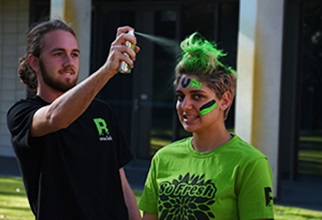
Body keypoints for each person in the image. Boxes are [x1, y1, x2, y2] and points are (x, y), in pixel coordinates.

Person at [6, 19, 142, 220]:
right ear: (34, 62)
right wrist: (106, 70)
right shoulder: (22, 114)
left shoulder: (101, 111)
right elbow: (55, 117)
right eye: (58, 54)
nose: (69, 62)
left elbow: (120, 181)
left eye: (74, 54)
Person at [138, 32, 275, 220]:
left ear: (224, 100)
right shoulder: (163, 158)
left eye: (197, 96)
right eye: (180, 97)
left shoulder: (250, 163)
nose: (185, 106)